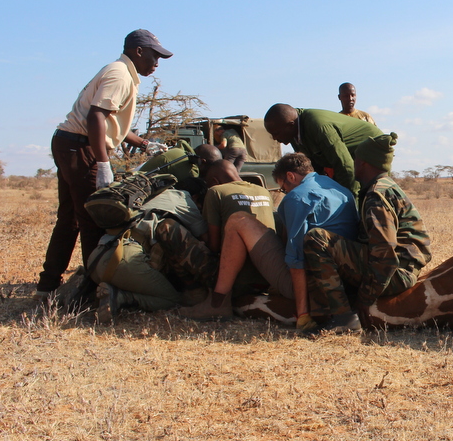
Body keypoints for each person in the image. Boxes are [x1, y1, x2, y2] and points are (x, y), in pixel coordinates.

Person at [35, 29, 173, 300]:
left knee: (70, 218)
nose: (157, 62)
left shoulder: (123, 72)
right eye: (155, 55)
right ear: (138, 51)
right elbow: (96, 117)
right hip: (79, 145)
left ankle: (48, 285)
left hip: (69, 142)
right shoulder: (121, 74)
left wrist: (144, 144)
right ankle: (91, 289)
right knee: (93, 218)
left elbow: (109, 122)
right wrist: (102, 163)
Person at [178, 153, 358, 328]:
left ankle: (218, 303)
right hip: (342, 279)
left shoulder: (297, 197)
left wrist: (303, 314)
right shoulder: (341, 190)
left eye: (283, 188)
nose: (285, 192)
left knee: (237, 220)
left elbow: (297, 259)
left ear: (290, 176)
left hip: (312, 284)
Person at [303, 132, 432, 333]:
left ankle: (343, 318)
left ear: (362, 163)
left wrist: (365, 298)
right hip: (403, 267)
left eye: (355, 160)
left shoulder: (376, 196)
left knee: (317, 239)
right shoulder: (386, 187)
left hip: (397, 272)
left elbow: (386, 255)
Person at [89, 187, 215, 323]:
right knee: (173, 300)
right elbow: (205, 238)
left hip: (96, 259)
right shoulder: (183, 198)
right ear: (196, 197)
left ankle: (92, 291)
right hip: (124, 261)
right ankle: (122, 297)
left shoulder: (145, 198)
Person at [263, 103, 382, 198]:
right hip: (349, 157)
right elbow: (312, 170)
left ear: (290, 125)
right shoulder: (294, 133)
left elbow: (344, 165)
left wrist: (349, 201)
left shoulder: (318, 126)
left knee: (368, 194)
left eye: (276, 133)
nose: (275, 139)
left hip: (372, 149)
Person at [201, 160, 276, 253]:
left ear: (215, 181)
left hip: (237, 262)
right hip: (271, 256)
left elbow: (214, 246)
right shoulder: (264, 191)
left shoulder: (216, 191)